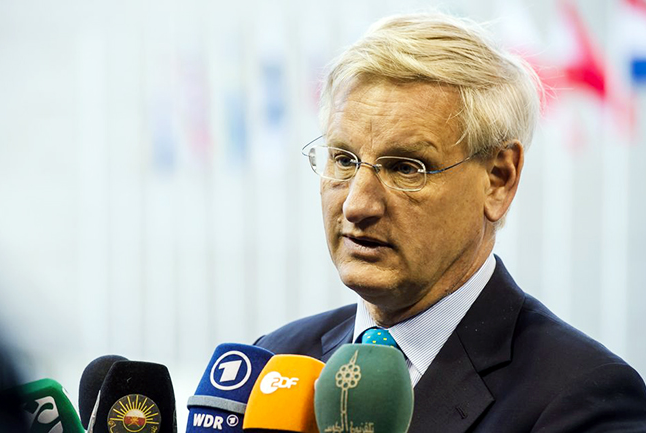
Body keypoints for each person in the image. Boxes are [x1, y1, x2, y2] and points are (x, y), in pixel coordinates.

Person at [254, 11, 646, 432]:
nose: (356, 205)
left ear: (499, 179)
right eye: (344, 160)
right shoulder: (273, 364)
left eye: (406, 168)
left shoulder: (583, 399)